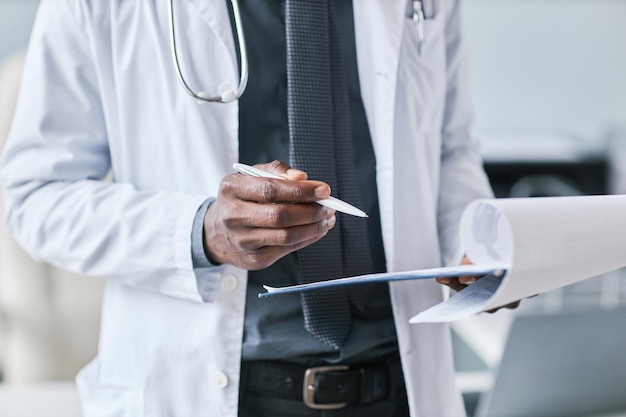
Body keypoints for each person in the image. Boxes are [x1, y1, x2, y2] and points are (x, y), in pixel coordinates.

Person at [0, 0, 502, 416]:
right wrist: (198, 233)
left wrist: (473, 242)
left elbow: (449, 147)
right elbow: (35, 195)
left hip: (399, 387)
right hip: (216, 390)